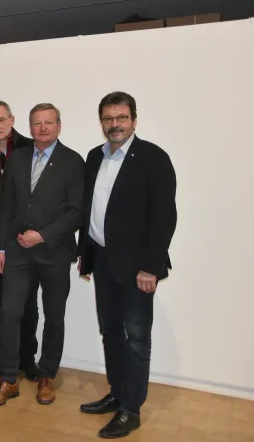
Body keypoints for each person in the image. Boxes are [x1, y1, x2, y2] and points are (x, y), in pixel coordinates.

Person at [77, 92, 177, 439]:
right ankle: (117, 393)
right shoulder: (94, 157)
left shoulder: (153, 158)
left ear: (134, 120)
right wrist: (86, 256)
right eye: (108, 118)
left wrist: (150, 266)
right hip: (103, 260)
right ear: (101, 122)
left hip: (137, 268)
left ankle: (131, 410)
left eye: (121, 117)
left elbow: (164, 216)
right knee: (110, 333)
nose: (114, 124)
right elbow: (89, 209)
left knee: (136, 338)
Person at [0, 103, 84, 408]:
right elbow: (7, 208)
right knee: (10, 312)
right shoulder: (19, 158)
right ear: (29, 127)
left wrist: (42, 235)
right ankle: (9, 379)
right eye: (37, 123)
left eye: (48, 123)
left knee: (54, 316)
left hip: (53, 251)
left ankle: (46, 376)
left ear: (58, 125)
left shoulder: (73, 161)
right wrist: (2, 247)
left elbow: (77, 212)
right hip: (17, 252)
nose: (43, 128)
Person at [0, 100, 40, 380]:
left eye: (1, 120)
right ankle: (6, 358)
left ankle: (28, 358)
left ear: (12, 119)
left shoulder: (31, 148)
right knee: (2, 300)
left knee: (27, 302)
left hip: (25, 238)